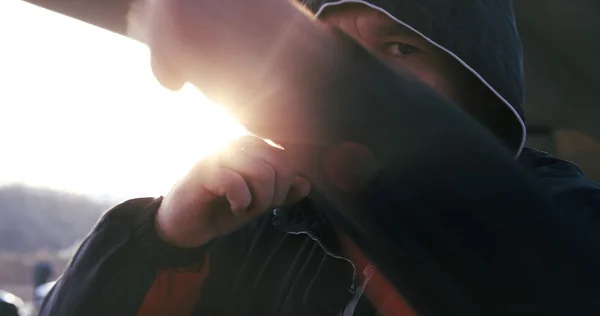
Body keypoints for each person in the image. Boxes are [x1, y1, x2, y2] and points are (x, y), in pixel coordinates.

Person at [40, 0, 600, 315]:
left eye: (398, 48)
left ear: (475, 92)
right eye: (333, 50)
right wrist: (159, 240)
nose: (340, 80)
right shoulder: (249, 218)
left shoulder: (563, 215)